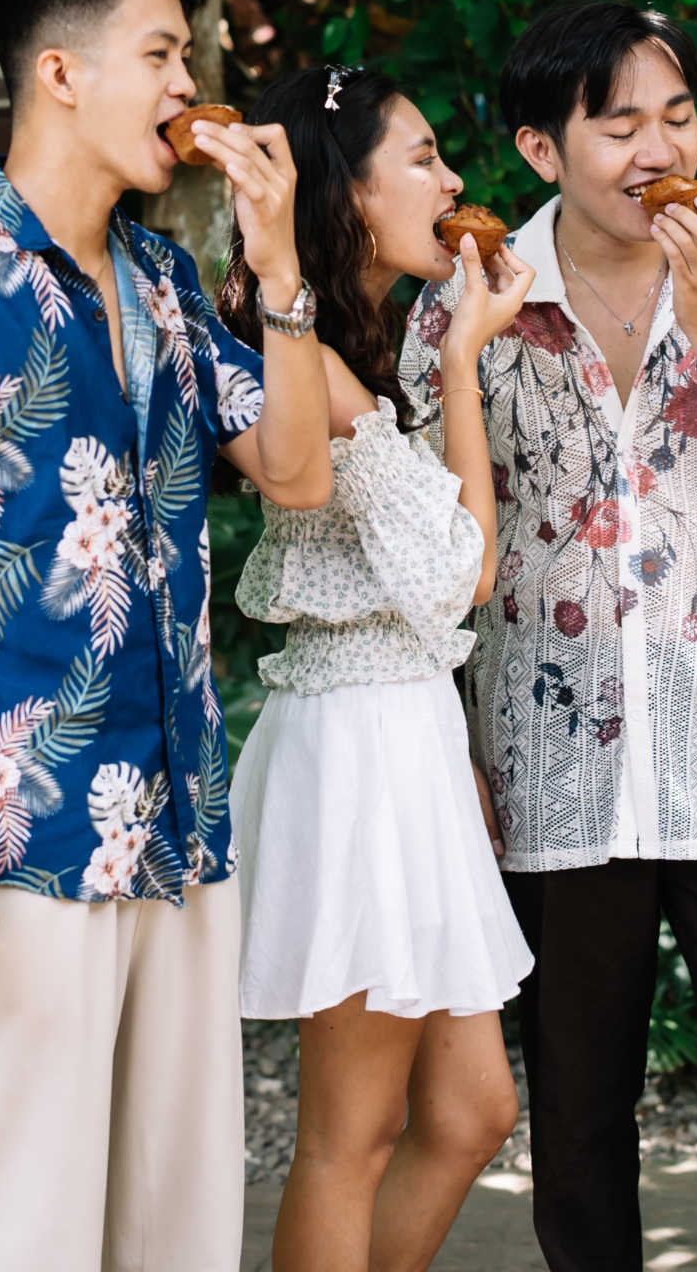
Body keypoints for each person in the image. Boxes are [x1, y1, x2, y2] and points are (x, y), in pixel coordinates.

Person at [0, 0, 336, 1272]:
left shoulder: (167, 279)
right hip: (14, 834)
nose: (187, 85)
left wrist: (279, 269)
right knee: (6, 1232)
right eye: (162, 52)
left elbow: (293, 472)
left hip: (175, 823)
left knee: (171, 1235)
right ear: (61, 73)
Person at [400, 0, 697, 1272]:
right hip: (551, 766)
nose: (658, 149)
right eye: (619, 126)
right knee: (579, 1109)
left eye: (677, 115)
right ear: (542, 150)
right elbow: (438, 555)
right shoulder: (472, 304)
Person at [216, 64, 537, 1272]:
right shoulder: (301, 357)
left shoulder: (367, 343)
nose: (453, 181)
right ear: (343, 194)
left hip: (408, 731)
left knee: (470, 1113)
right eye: (422, 157)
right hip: (357, 746)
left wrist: (443, 347)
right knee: (352, 1131)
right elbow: (465, 570)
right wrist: (462, 359)